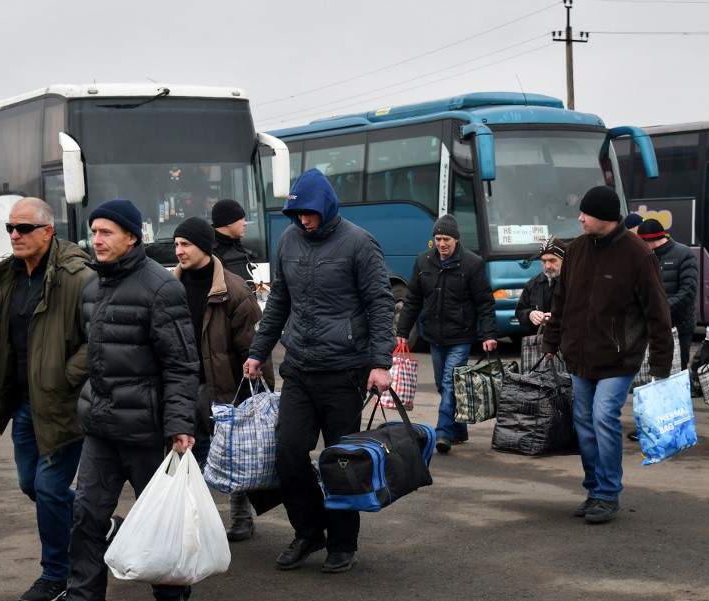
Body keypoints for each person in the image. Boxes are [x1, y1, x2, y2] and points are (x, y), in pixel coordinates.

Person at [29, 199, 199, 601]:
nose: (97, 240)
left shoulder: (162, 289)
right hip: (101, 428)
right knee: (86, 518)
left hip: (148, 430)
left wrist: (180, 425)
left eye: (107, 232)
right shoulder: (92, 287)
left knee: (158, 521)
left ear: (132, 237)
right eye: (94, 232)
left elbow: (181, 365)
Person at [243, 168, 394, 575]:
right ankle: (308, 532)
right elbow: (278, 302)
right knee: (289, 453)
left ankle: (343, 542)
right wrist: (259, 351)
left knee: (340, 459)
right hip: (300, 369)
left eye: (310, 214)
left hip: (344, 372)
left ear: (326, 208)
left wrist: (380, 363)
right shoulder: (289, 240)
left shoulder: (360, 244)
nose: (304, 221)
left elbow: (381, 304)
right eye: (297, 215)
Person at [0, 198, 93, 601]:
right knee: (32, 484)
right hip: (24, 404)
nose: (14, 235)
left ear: (48, 232)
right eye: (10, 227)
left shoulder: (77, 276)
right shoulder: (9, 276)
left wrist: (65, 374)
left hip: (62, 404)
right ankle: (99, 522)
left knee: (48, 486)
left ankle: (56, 575)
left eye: (23, 228)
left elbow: (97, 337)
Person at [541, 186, 672, 525]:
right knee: (583, 423)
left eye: (587, 213)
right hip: (580, 355)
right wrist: (551, 342)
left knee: (603, 417)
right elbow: (562, 302)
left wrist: (661, 362)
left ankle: (608, 493)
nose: (580, 218)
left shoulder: (638, 255)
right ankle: (594, 488)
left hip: (619, 357)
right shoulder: (577, 250)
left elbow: (658, 312)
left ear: (606, 217)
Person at [173, 216, 273, 542]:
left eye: (185, 244)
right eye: (176, 244)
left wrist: (260, 395)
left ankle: (241, 518)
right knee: (187, 455)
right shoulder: (169, 288)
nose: (178, 251)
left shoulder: (233, 289)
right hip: (182, 387)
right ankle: (194, 521)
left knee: (232, 452)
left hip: (223, 387)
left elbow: (255, 346)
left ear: (202, 245)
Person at [396, 215, 498, 453]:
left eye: (446, 239)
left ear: (456, 239)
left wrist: (489, 334)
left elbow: (484, 302)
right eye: (438, 238)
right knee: (444, 387)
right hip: (434, 335)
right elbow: (412, 300)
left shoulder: (472, 264)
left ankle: (442, 433)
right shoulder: (423, 263)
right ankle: (459, 429)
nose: (442, 243)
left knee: (450, 383)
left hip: (461, 336)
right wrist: (402, 331)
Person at [625, 218, 697, 442]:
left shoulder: (684, 254)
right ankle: (647, 425)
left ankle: (675, 427)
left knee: (673, 379)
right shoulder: (641, 257)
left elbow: (687, 292)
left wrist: (659, 310)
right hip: (647, 327)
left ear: (651, 241)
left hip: (679, 326)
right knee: (647, 379)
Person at [515, 237, 565, 336]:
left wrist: (558, 319)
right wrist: (530, 315)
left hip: (568, 343)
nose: (547, 266)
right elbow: (520, 311)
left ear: (564, 260)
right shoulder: (533, 283)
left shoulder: (575, 282)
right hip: (541, 343)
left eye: (552, 260)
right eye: (543, 261)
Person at [211, 199, 258, 288]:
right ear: (228, 221)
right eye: (241, 219)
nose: (245, 223)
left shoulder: (239, 248)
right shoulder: (210, 255)